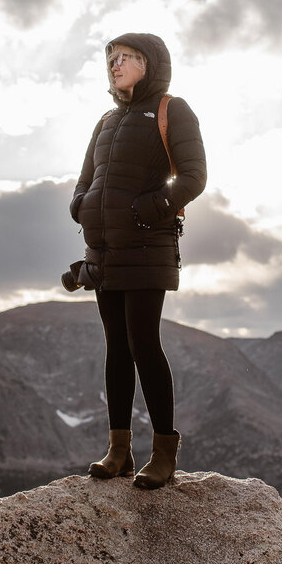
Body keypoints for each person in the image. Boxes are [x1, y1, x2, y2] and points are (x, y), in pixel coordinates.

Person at [65, 32, 206, 490]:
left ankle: (164, 452)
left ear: (151, 65)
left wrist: (149, 209)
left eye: (126, 57)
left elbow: (194, 176)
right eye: (110, 57)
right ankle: (119, 450)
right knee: (116, 349)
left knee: (145, 344)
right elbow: (86, 178)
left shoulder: (171, 110)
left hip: (147, 248)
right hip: (104, 252)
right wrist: (80, 205)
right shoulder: (106, 120)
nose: (115, 63)